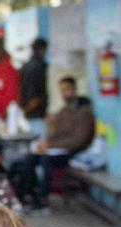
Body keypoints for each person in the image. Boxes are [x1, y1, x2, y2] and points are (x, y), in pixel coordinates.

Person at [14, 76, 96, 212]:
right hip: (56, 150)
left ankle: (42, 201)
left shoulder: (84, 112)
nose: (65, 93)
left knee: (46, 161)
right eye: (62, 90)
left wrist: (51, 145)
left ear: (74, 89)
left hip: (74, 152)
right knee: (29, 159)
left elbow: (78, 140)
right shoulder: (63, 111)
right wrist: (46, 144)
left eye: (68, 89)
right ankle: (28, 197)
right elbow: (55, 135)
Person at [20, 38, 49, 136]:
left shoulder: (25, 66)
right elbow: (36, 89)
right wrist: (31, 106)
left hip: (28, 110)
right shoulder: (39, 66)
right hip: (36, 110)